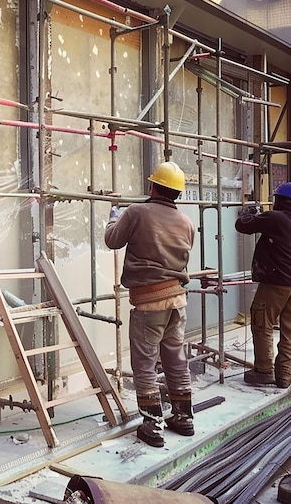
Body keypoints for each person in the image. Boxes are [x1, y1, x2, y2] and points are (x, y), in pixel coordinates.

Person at [104, 161, 195, 448]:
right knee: (175, 359)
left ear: (152, 186)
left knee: (144, 363)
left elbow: (112, 240)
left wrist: (113, 215)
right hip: (177, 301)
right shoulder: (186, 222)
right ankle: (183, 418)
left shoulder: (137, 212)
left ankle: (152, 425)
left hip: (150, 303)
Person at [235, 182, 291, 388]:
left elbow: (243, 225)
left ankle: (264, 369)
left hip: (277, 282)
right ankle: (285, 374)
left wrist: (250, 213)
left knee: (262, 322)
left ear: (281, 201)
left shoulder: (276, 218)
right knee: (289, 329)